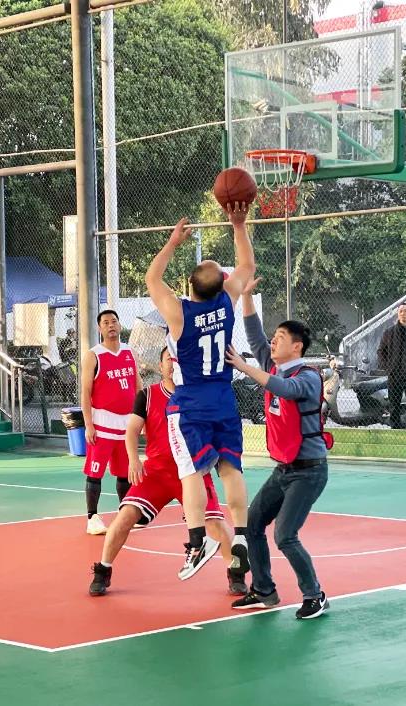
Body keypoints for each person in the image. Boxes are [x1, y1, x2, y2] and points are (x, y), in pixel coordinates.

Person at [145, 204, 255, 580]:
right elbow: (247, 265)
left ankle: (198, 541)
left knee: (190, 471)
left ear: (190, 287)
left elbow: (152, 278)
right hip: (223, 397)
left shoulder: (180, 314)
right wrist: (238, 225)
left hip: (190, 401)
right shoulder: (227, 302)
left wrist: (173, 242)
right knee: (230, 468)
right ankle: (241, 536)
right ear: (221, 283)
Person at [89, 348, 249, 597]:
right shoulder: (147, 395)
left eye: (178, 360)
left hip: (194, 471)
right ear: (161, 366)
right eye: (169, 360)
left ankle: (236, 573)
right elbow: (132, 431)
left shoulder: (199, 397)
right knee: (125, 516)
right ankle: (103, 569)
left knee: (216, 524)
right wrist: (134, 460)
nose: (174, 364)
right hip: (157, 471)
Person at [227, 277, 332, 619]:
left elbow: (285, 389)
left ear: (297, 347)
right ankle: (264, 590)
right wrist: (246, 296)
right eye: (274, 337)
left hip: (309, 471)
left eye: (281, 338)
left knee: (285, 535)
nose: (273, 341)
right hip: (284, 469)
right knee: (253, 524)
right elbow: (254, 333)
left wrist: (243, 367)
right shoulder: (272, 365)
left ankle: (315, 595)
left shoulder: (309, 377)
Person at [80, 309, 141, 535]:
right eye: (105, 322)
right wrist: (88, 424)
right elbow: (86, 392)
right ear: (100, 328)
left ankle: (125, 514)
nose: (111, 325)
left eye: (114, 321)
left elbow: (138, 385)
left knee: (124, 472)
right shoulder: (93, 355)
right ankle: (92, 518)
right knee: (95, 471)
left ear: (119, 325)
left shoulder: (129, 352)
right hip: (102, 423)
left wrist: (142, 417)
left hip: (127, 424)